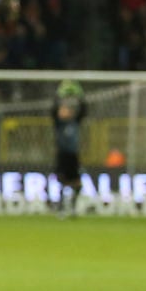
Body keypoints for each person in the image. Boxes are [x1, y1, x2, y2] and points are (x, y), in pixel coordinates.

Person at [52, 80, 87, 217]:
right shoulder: (59, 124)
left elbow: (83, 110)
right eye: (63, 109)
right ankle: (61, 207)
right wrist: (59, 95)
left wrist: (79, 96)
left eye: (68, 109)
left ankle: (72, 206)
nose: (66, 110)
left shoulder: (74, 122)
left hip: (73, 155)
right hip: (62, 155)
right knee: (62, 181)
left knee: (77, 183)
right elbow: (53, 109)